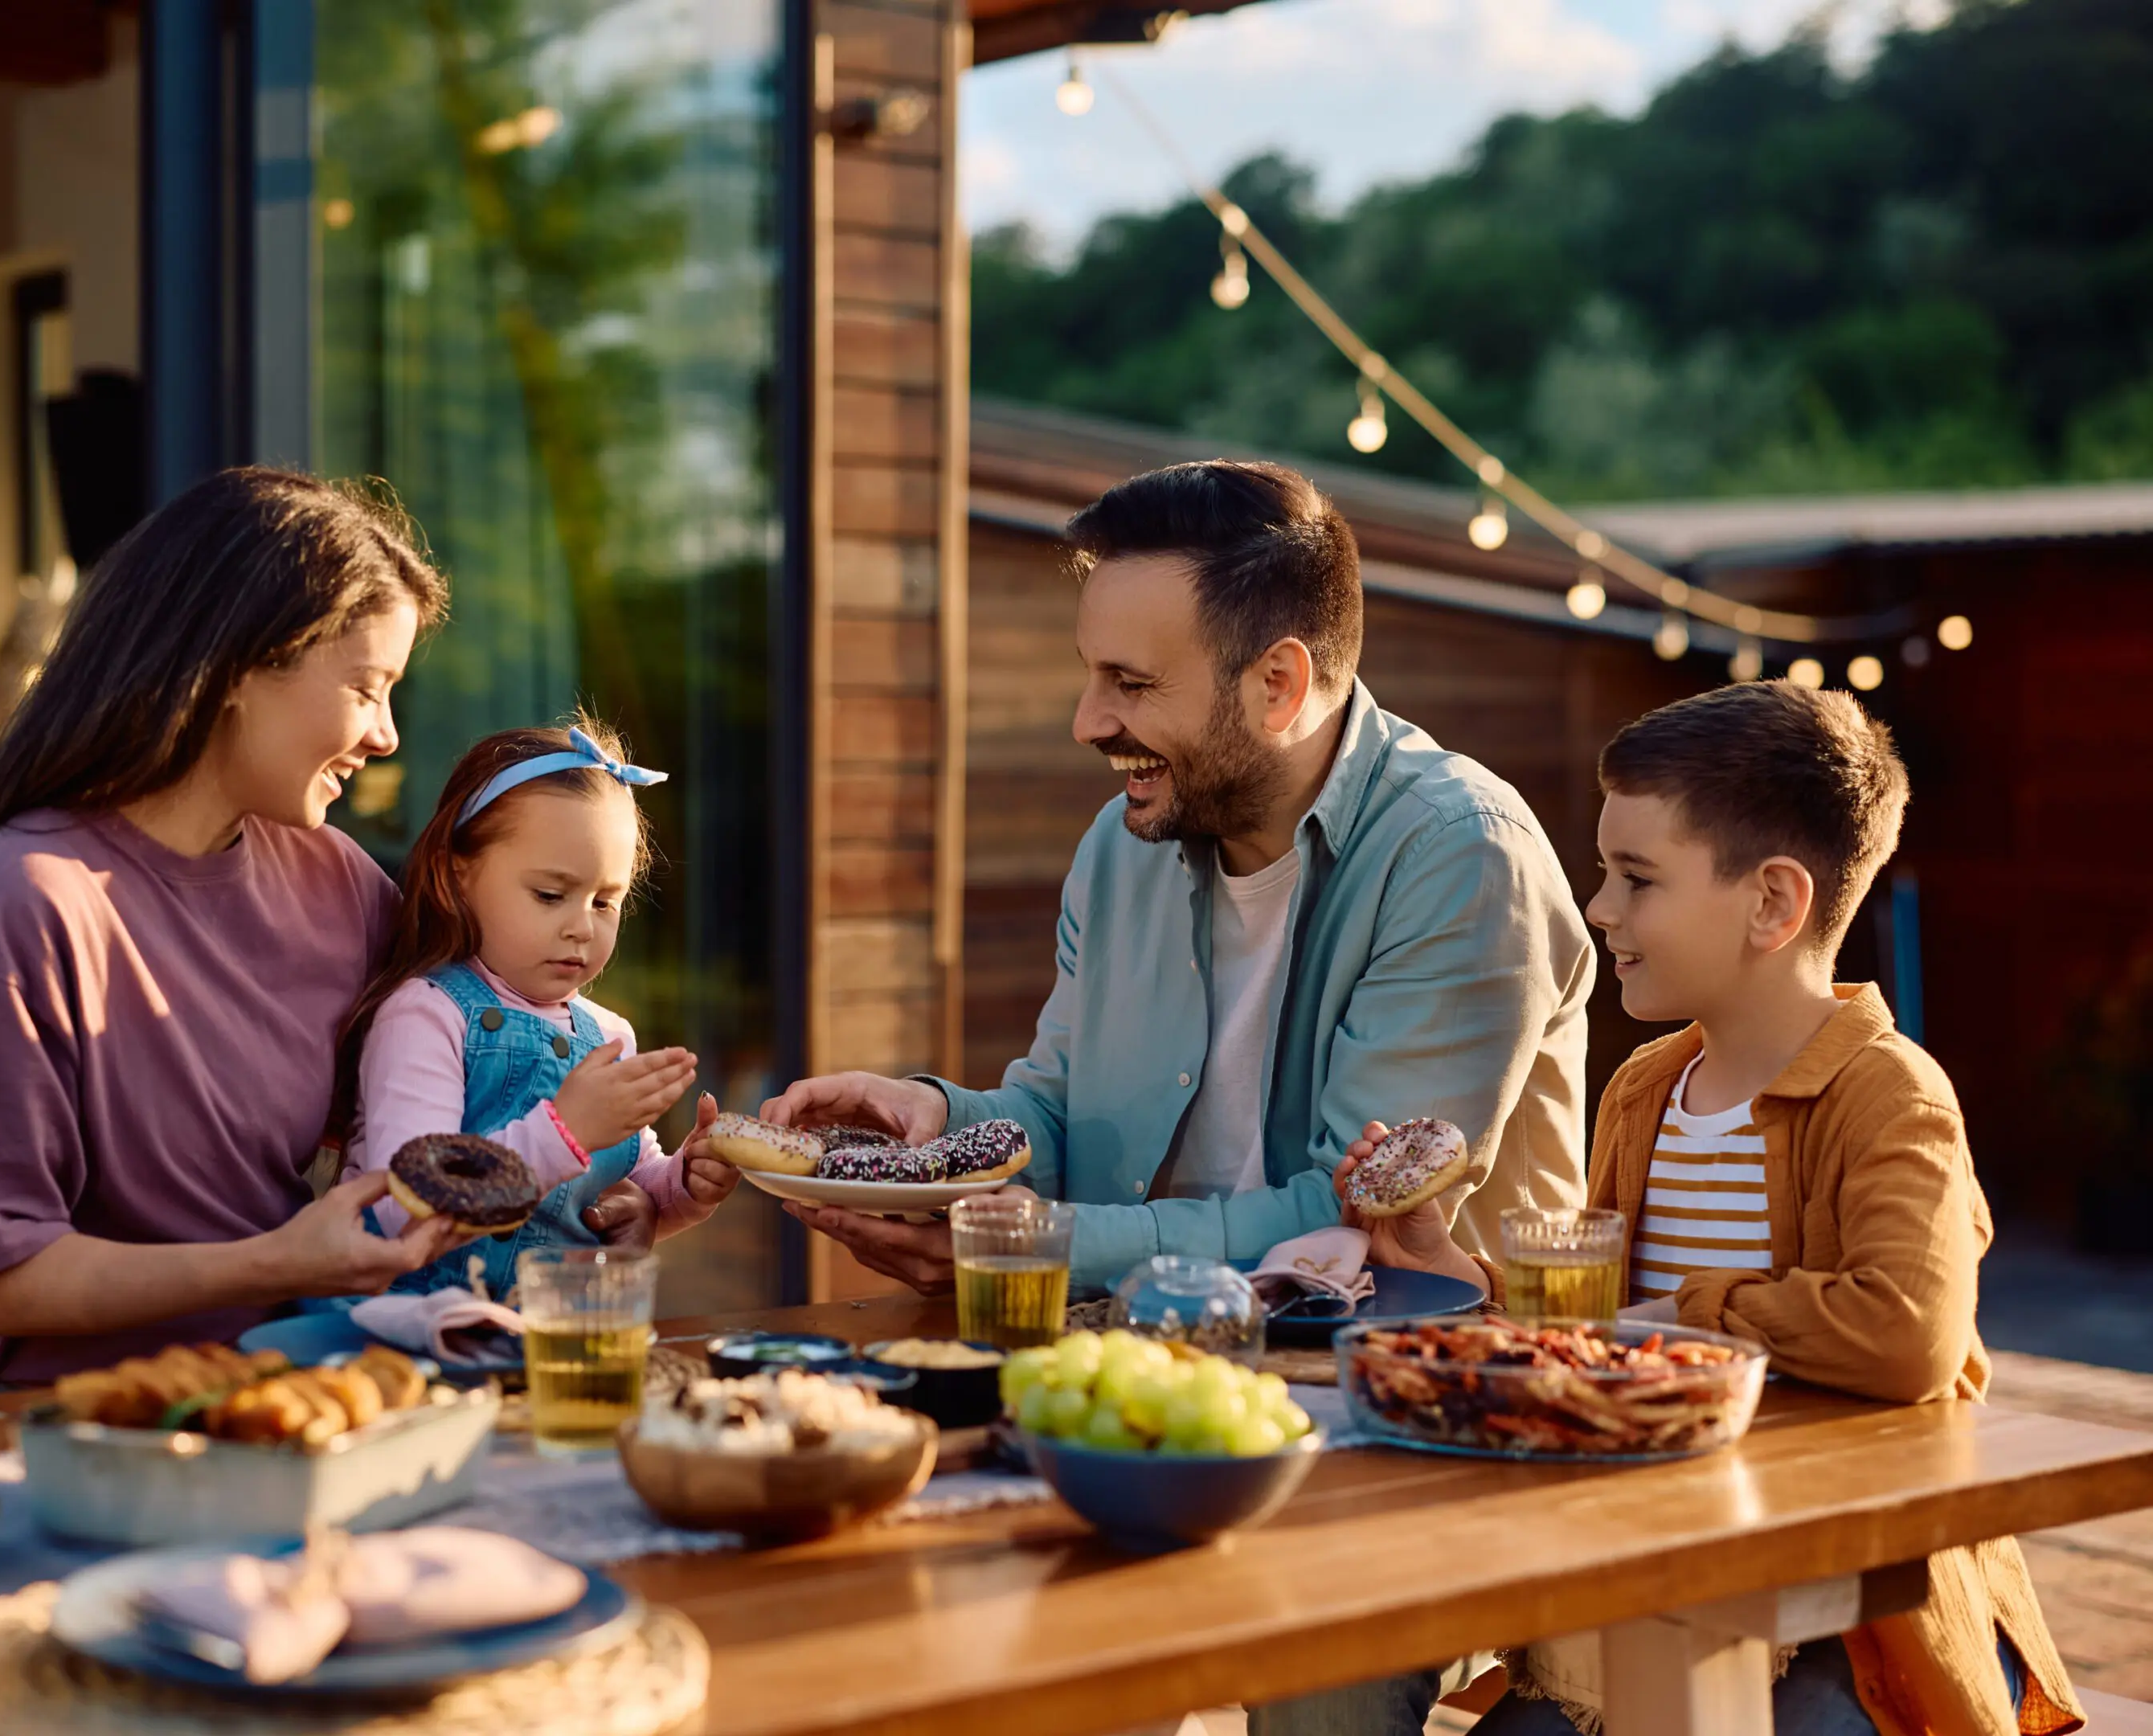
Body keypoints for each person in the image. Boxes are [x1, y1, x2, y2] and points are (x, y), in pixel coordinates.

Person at [1349, 680, 2080, 1736]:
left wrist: (1686, 1325)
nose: (1600, 907)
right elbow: (1604, 1331)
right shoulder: (1644, 1089)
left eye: (1636, 878)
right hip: (1661, 1561)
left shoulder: (1889, 1092)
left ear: (1773, 904)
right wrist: (1459, 1274)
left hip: (1861, 1598)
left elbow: (1907, 1334)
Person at [767, 458, 1595, 1299]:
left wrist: (1040, 1246)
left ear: (1279, 685)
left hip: (1423, 1394)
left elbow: (1358, 1220)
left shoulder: (1461, 856)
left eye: (1130, 683)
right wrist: (940, 1121)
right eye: (1091, 675)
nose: (1087, 723)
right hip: (1152, 1378)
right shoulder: (1120, 847)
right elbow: (1059, 1118)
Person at [0, 469, 642, 1384]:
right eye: (368, 689)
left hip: (332, 1387)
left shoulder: (339, 887)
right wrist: (280, 1261)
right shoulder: (12, 912)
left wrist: (614, 1192)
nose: (388, 736)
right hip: (96, 1429)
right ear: (241, 668)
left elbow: (467, 1099)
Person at [327, 718, 741, 1296]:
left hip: (540, 1350)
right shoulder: (425, 1016)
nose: (581, 926)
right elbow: (407, 1205)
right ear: (455, 878)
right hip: (403, 1340)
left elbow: (623, 1195)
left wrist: (683, 1184)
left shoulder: (607, 1035)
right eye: (550, 895)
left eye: (606, 901)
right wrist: (566, 1130)